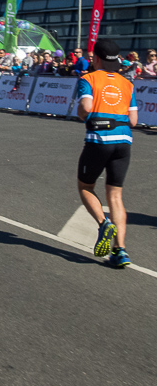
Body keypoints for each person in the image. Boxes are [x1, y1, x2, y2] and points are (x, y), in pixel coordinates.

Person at [75, 38, 138, 268]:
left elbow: (86, 108)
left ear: (96, 58)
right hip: (124, 142)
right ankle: (120, 251)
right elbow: (134, 119)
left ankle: (103, 224)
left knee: (85, 186)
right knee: (116, 196)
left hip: (99, 140)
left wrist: (83, 116)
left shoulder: (88, 79)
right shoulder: (127, 83)